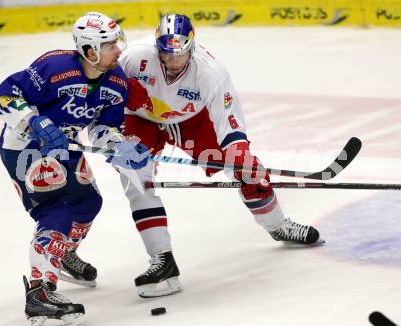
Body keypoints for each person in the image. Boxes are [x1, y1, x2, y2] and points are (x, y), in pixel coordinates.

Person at [119, 14, 322, 298]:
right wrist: (109, 128)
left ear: (192, 46)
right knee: (135, 177)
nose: (173, 61)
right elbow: (101, 95)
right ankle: (163, 261)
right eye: (166, 53)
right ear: (157, 47)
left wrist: (239, 155)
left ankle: (278, 226)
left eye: (180, 53)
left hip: (191, 119)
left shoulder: (210, 72)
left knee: (247, 170)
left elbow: (231, 128)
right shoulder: (133, 58)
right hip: (141, 119)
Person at [0, 12, 148, 325]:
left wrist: (121, 147)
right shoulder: (54, 67)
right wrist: (32, 121)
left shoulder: (117, 82)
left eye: (117, 42)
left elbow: (105, 128)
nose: (118, 50)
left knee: (88, 202)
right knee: (56, 211)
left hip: (66, 147)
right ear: (89, 50)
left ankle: (59, 254)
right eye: (109, 45)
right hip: (25, 149)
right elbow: (3, 96)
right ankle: (40, 293)